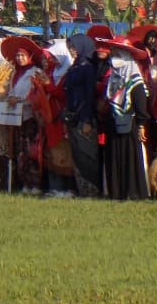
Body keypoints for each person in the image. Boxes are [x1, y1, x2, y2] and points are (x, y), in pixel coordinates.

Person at [101, 41, 150, 199]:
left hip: (131, 125)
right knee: (114, 157)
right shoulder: (113, 79)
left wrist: (142, 124)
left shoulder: (135, 81)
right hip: (114, 124)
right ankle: (116, 191)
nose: (113, 59)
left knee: (131, 158)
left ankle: (132, 192)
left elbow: (141, 104)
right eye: (113, 55)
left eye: (117, 55)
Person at [0, 37, 48, 195]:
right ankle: (25, 183)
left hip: (31, 117)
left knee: (32, 150)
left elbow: (37, 94)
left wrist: (21, 100)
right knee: (21, 151)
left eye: (23, 56)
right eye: (18, 56)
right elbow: (11, 92)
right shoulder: (15, 74)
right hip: (17, 117)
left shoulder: (35, 72)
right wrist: (10, 99)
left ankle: (36, 184)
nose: (20, 59)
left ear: (29, 57)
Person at [63, 34, 101, 198]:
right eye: (70, 48)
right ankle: (82, 190)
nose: (72, 51)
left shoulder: (87, 68)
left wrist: (86, 119)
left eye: (74, 47)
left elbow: (89, 95)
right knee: (77, 156)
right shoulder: (74, 67)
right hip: (73, 117)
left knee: (87, 155)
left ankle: (92, 190)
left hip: (84, 116)